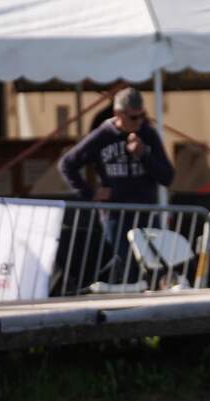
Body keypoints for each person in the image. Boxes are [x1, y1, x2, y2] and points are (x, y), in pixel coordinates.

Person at [58, 87, 175, 283]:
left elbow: (167, 176)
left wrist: (144, 155)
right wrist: (90, 193)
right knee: (126, 264)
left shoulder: (148, 134)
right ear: (118, 114)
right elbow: (67, 164)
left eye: (142, 116)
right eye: (133, 117)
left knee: (153, 265)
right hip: (115, 215)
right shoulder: (102, 135)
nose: (139, 122)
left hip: (145, 212)